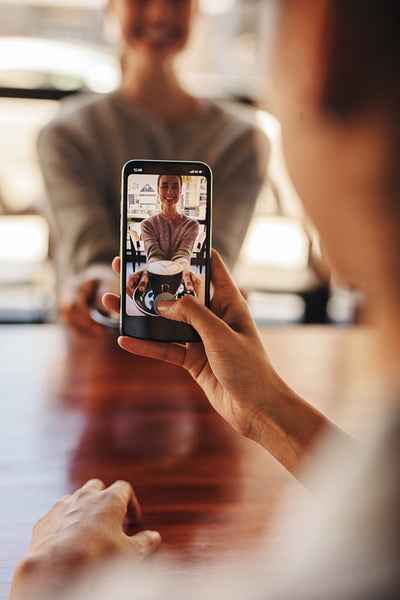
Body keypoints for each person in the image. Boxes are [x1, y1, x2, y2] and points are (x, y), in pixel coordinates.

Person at [11, 0, 400, 599]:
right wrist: (267, 406)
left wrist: (50, 589)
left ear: (318, 47)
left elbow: (208, 261)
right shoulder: (68, 132)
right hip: (110, 368)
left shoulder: (237, 142)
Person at [37, 0, 268, 336]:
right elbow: (92, 251)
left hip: (193, 344)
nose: (160, 13)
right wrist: (101, 283)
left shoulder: (243, 140)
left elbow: (217, 258)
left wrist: (216, 288)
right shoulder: (65, 134)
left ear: (196, 9)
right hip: (94, 338)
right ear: (111, 7)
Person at [126, 174, 201, 297]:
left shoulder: (191, 225)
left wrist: (186, 268)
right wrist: (148, 267)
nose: (170, 191)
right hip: (154, 279)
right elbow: (155, 255)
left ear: (181, 190)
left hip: (179, 282)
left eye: (175, 186)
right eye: (164, 186)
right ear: (158, 190)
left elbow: (182, 254)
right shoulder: (147, 224)